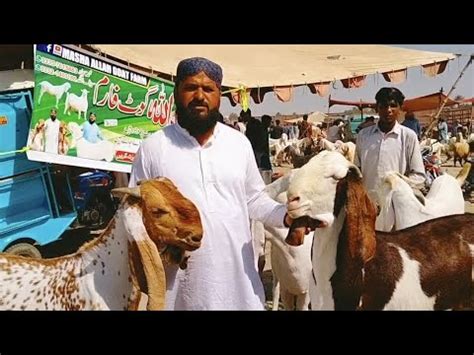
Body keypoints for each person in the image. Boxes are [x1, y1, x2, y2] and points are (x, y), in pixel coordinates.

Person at [129, 57, 293, 310]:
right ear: (176, 93)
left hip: (237, 285)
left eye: (208, 89)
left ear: (219, 95)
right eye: (191, 88)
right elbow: (135, 215)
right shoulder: (153, 148)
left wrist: (286, 216)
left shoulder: (238, 144)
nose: (199, 96)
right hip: (178, 288)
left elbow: (253, 199)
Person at [355, 87, 425, 203]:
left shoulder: (408, 136)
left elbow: (419, 176)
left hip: (397, 205)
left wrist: (399, 188)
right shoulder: (364, 136)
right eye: (383, 106)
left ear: (400, 108)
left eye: (393, 106)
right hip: (368, 205)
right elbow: (357, 171)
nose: (388, 110)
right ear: (377, 108)